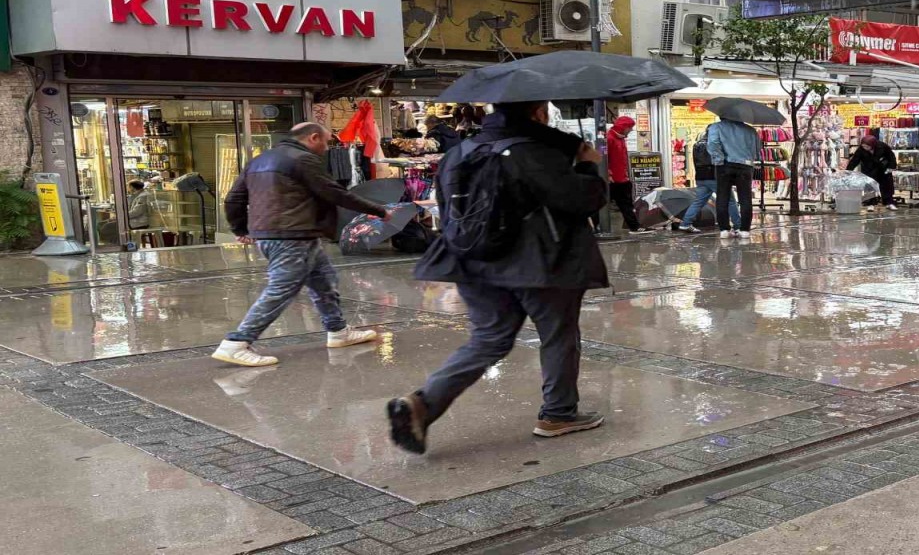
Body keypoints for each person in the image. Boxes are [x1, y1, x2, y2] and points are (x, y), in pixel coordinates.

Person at [386, 101, 609, 454]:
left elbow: (447, 206)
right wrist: (586, 165)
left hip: (472, 260)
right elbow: (583, 200)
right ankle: (558, 413)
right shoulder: (536, 152)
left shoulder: (459, 152)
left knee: (488, 338)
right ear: (536, 115)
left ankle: (423, 403)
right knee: (558, 336)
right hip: (540, 262)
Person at [212, 123, 388, 367]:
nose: (327, 148)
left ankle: (338, 331)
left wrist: (240, 229)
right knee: (281, 289)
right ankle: (236, 343)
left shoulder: (260, 159)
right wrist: (378, 211)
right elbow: (335, 193)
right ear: (313, 137)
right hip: (292, 235)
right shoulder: (303, 159)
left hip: (286, 235)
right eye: (326, 142)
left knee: (324, 281)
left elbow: (234, 198)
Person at [708, 117, 761, 239]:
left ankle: (725, 230)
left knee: (722, 197)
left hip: (724, 165)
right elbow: (757, 149)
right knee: (745, 198)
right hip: (745, 165)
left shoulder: (716, 127)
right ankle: (745, 230)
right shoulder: (751, 130)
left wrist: (719, 159)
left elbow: (713, 144)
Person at [677, 130, 740, 233]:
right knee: (730, 201)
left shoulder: (696, 145)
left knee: (699, 201)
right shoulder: (716, 144)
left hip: (701, 177)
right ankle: (738, 226)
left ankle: (685, 223)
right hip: (715, 177)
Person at [606, 116, 652, 234]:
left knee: (625, 203)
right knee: (603, 203)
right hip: (612, 179)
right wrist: (608, 173)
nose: (631, 130)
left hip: (622, 178)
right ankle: (634, 226)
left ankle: (634, 226)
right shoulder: (609, 138)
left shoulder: (620, 138)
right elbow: (603, 158)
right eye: (630, 127)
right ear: (623, 127)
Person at [846, 135, 898, 211]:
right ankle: (870, 203)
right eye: (863, 146)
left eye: (867, 146)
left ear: (872, 144)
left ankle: (889, 203)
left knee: (886, 186)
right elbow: (855, 160)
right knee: (870, 186)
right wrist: (848, 171)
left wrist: (891, 167)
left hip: (883, 169)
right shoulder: (861, 150)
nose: (865, 148)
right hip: (869, 169)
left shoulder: (882, 146)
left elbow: (891, 156)